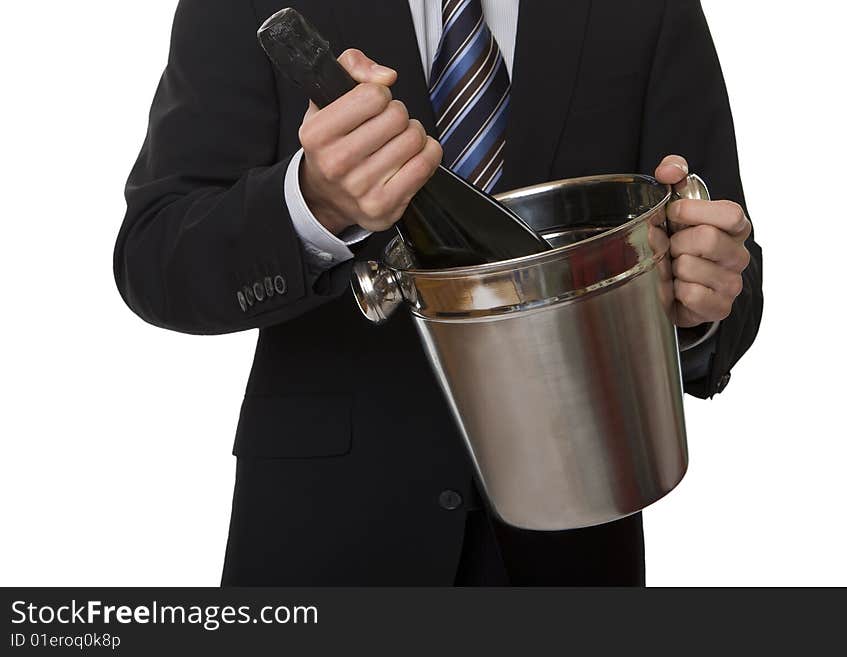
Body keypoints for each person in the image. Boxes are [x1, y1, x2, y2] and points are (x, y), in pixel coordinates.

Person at [114, 0, 763, 586]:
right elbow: (155, 253)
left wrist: (695, 302)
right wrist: (312, 203)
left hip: (577, 550)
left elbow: (728, 266)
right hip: (323, 547)